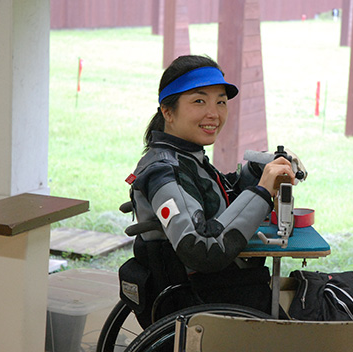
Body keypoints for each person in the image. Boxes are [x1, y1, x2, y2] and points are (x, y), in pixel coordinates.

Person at [119, 55, 295, 328]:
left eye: (221, 102)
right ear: (168, 111)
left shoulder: (187, 156)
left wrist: (259, 171)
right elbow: (202, 248)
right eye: (199, 101)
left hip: (218, 293)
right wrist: (261, 192)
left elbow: (219, 199)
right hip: (203, 307)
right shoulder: (164, 172)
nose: (214, 113)